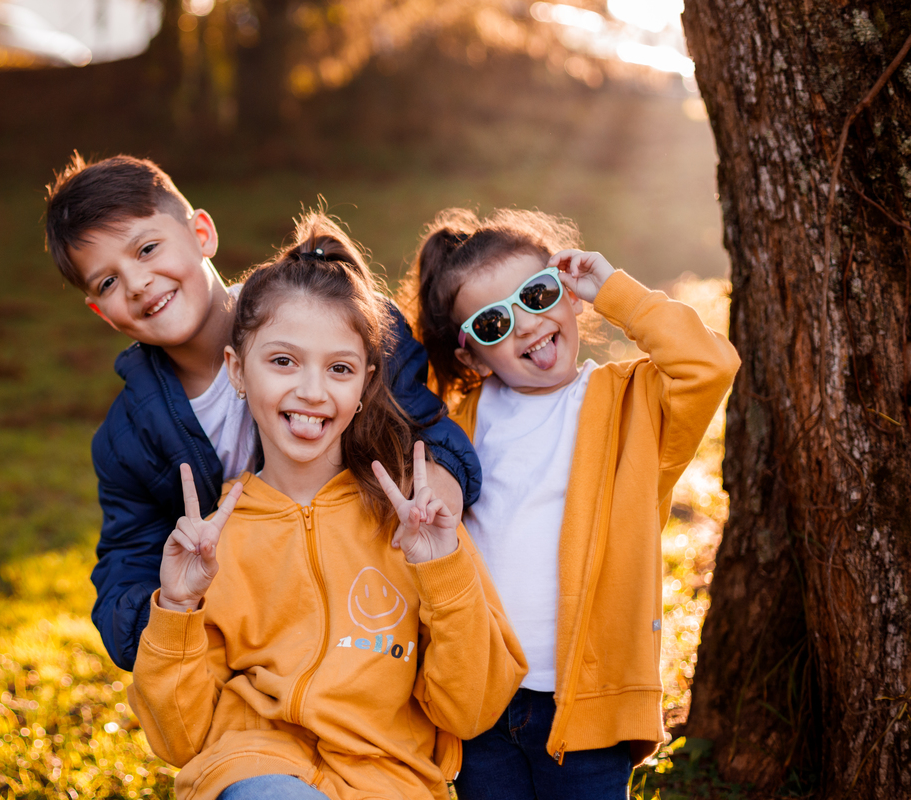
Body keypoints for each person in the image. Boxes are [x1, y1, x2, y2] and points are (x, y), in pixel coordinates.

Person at [127, 215, 526, 800]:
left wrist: (443, 569)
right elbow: (178, 738)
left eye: (338, 368)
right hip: (257, 771)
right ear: (238, 369)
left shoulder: (412, 519)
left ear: (365, 385)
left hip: (391, 782)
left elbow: (469, 711)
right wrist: (178, 605)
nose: (312, 391)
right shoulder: (216, 536)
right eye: (283, 361)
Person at [42, 155, 481, 671]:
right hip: (258, 655)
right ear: (99, 310)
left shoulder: (349, 322)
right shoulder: (127, 438)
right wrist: (174, 615)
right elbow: (126, 567)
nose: (137, 282)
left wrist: (434, 508)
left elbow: (434, 437)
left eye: (147, 248)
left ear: (202, 232)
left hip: (376, 628)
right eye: (108, 283)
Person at [402, 208, 740, 799]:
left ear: (570, 295)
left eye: (537, 294)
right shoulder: (459, 428)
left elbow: (708, 364)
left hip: (587, 703)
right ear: (473, 356)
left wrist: (614, 290)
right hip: (483, 700)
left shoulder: (630, 405)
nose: (526, 325)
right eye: (492, 324)